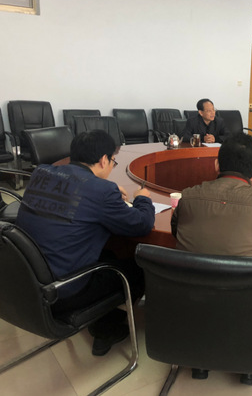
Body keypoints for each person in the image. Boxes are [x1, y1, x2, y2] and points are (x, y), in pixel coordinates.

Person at [171, 132, 252, 384]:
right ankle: (250, 367)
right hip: (248, 312)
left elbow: (177, 231)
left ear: (216, 165)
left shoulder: (187, 197)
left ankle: (200, 363)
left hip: (194, 305)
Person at [16, 130, 155, 356]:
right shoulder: (101, 192)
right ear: (103, 160)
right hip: (62, 292)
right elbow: (142, 224)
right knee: (141, 268)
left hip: (26, 280)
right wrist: (142, 198)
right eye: (113, 161)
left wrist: (105, 190)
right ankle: (106, 329)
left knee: (110, 255)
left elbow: (76, 192)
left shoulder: (41, 172)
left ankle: (104, 322)